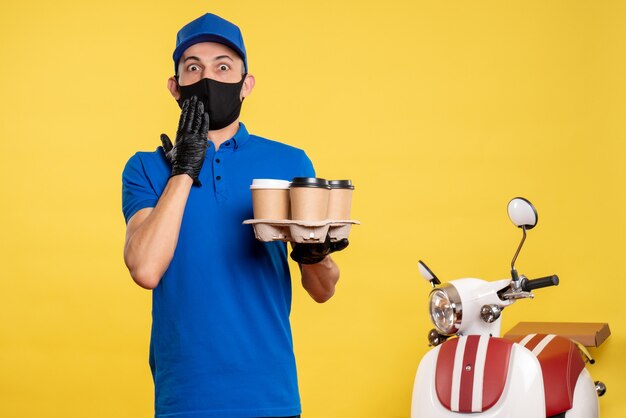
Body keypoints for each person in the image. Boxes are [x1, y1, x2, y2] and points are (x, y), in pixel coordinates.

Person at [121, 13, 348, 418]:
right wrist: (183, 170)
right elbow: (145, 269)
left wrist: (315, 254)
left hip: (269, 393)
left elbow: (322, 290)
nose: (207, 78)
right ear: (175, 87)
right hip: (184, 396)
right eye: (193, 68)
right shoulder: (145, 167)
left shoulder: (289, 161)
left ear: (246, 84)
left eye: (223, 67)